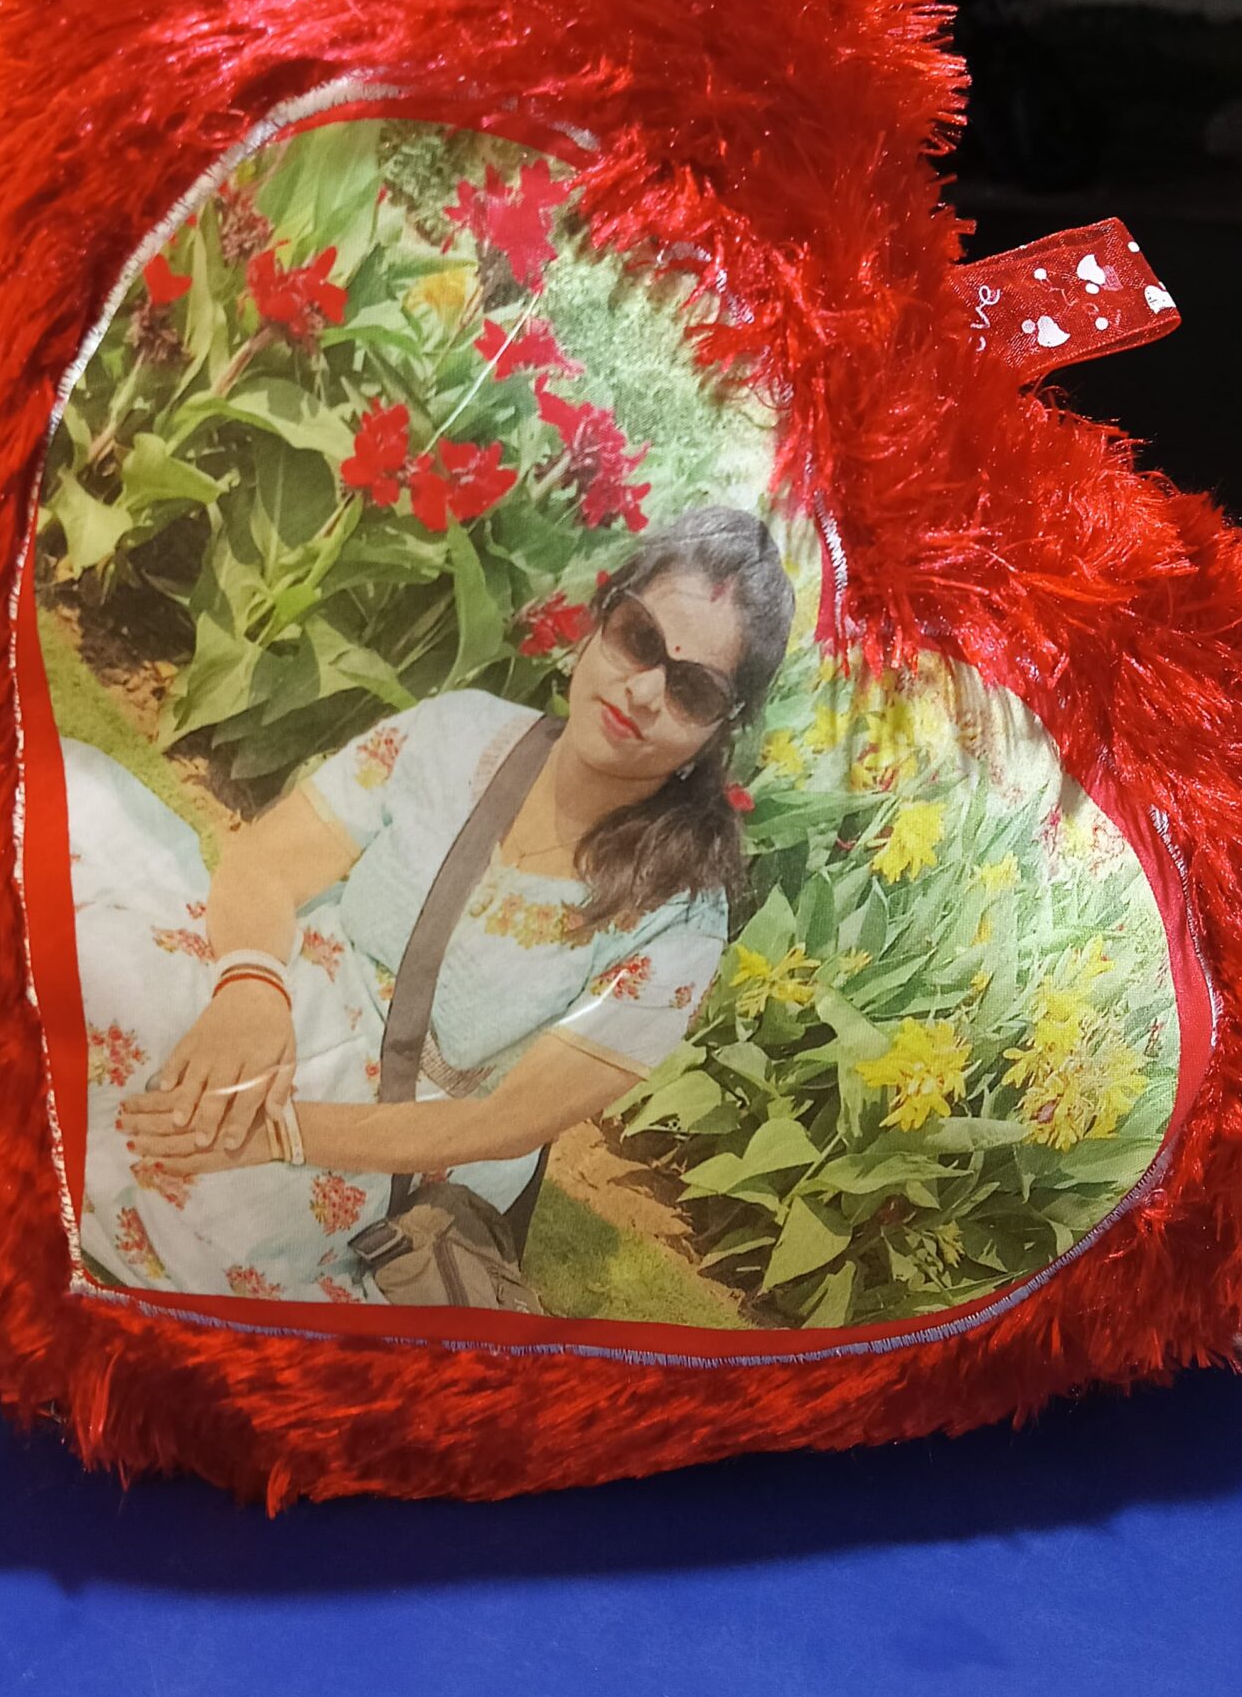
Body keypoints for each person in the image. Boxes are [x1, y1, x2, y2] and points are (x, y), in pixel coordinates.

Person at [65, 507, 795, 1303]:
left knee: (196, 1196)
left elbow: (501, 1124)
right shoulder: (459, 734)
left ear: (721, 729)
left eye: (692, 689)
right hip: (284, 996)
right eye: (639, 638)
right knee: (85, 958)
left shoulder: (677, 917)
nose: (646, 689)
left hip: (390, 1140)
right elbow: (270, 864)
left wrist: (281, 1133)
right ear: (602, 617)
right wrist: (247, 990)